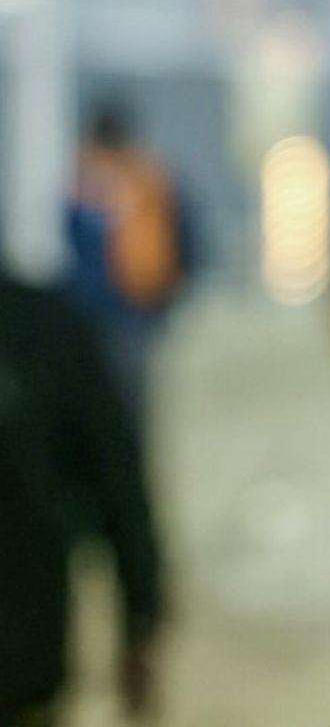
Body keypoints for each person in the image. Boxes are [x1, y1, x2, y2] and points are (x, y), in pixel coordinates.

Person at [0, 268, 162, 725]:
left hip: (21, 667)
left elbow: (115, 474)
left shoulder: (38, 327)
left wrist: (140, 617)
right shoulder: (41, 323)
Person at [65, 102, 185, 428]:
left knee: (100, 397)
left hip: (102, 309)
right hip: (141, 305)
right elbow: (183, 240)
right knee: (130, 397)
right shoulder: (152, 177)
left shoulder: (86, 180)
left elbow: (74, 244)